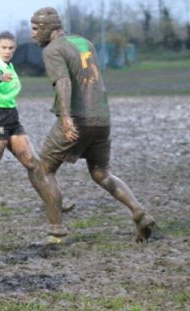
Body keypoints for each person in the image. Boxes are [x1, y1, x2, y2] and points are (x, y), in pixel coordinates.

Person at [30, 7, 155, 243]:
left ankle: (56, 231)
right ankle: (140, 213)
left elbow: (64, 81)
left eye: (36, 29)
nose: (33, 34)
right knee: (102, 173)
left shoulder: (52, 50)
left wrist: (66, 118)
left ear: (48, 28)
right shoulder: (85, 42)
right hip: (102, 118)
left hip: (77, 118)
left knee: (42, 170)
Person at [0, 31, 53, 222]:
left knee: (33, 162)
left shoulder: (10, 65)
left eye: (11, 48)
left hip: (12, 118)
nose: (7, 51)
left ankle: (53, 201)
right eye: (4, 47)